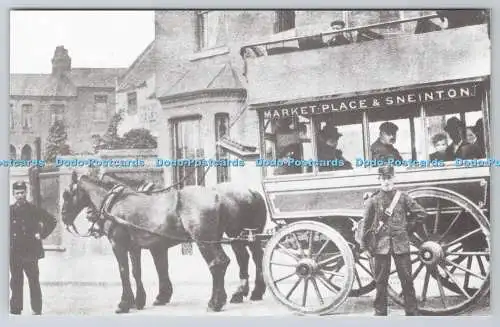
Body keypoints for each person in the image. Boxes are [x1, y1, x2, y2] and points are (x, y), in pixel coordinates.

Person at [361, 166, 427, 316]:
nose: (386, 182)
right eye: (383, 179)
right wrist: (364, 246)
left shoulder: (403, 197)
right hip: (380, 246)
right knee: (380, 281)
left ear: (394, 179)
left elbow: (422, 214)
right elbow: (366, 224)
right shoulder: (373, 200)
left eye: (389, 178)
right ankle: (380, 313)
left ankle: (411, 312)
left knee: (407, 280)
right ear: (379, 180)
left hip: (401, 245)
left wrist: (407, 228)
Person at [10, 181, 57, 315]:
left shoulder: (33, 209)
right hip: (14, 252)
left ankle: (37, 309)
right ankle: (15, 309)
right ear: (13, 194)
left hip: (30, 252)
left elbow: (52, 220)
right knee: (15, 281)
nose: (20, 195)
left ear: (26, 193)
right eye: (17, 193)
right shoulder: (8, 210)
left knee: (34, 280)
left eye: (22, 192)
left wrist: (41, 234)